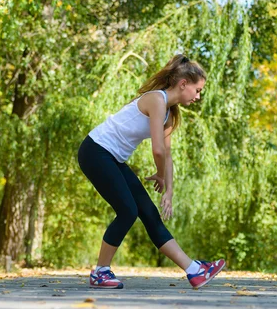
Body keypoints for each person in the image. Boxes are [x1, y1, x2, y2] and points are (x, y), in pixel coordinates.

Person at [77, 54, 225, 289]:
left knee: (148, 212)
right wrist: (159, 173)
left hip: (112, 157)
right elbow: (157, 151)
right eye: (197, 90)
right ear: (183, 84)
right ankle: (100, 272)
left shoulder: (169, 112)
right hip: (95, 150)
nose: (198, 97)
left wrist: (169, 191)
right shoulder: (156, 100)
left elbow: (167, 155)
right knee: (128, 210)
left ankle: (194, 271)